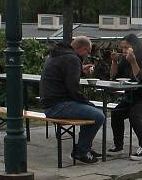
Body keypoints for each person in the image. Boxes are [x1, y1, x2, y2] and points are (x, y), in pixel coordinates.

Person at [40, 36, 105, 164]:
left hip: (49, 103)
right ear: (84, 49)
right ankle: (80, 152)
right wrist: (87, 102)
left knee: (91, 111)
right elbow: (73, 89)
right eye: (88, 52)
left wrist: (79, 70)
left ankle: (85, 147)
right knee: (99, 115)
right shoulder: (72, 59)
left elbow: (62, 76)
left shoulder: (57, 54)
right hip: (58, 106)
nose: (88, 55)